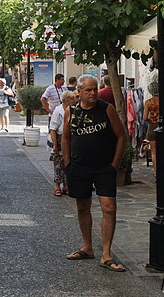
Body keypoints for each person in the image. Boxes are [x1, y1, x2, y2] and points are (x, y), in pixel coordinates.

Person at [62, 74, 128, 273]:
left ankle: (106, 253)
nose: (92, 93)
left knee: (109, 207)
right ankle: (87, 247)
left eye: (95, 89)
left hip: (103, 168)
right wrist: (67, 164)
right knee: (82, 207)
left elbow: (121, 136)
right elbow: (65, 138)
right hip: (79, 168)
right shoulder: (70, 111)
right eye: (88, 90)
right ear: (79, 92)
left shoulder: (106, 109)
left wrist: (114, 165)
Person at [142, 81, 164, 172]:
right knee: (163, 151)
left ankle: (157, 173)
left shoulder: (148, 102)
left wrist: (151, 120)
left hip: (152, 127)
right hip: (163, 126)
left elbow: (144, 117)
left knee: (154, 152)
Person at [50, 90, 76, 196]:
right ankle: (57, 187)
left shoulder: (72, 110)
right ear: (67, 100)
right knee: (58, 164)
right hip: (60, 138)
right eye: (72, 99)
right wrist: (55, 144)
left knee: (67, 163)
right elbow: (53, 128)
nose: (74, 101)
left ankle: (66, 186)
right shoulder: (58, 111)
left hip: (69, 139)